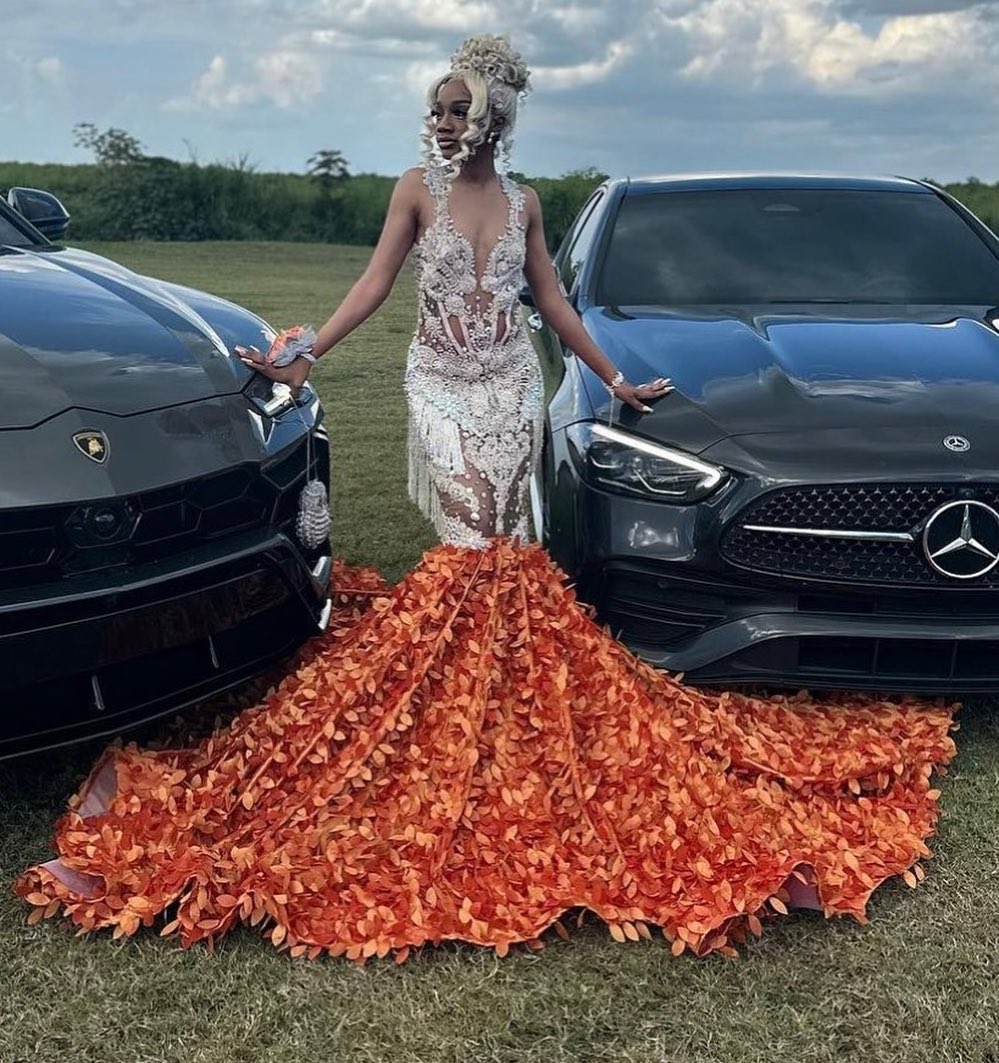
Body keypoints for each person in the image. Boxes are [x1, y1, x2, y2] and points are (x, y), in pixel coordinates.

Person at [17, 35, 955, 961]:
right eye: (435, 108)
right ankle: (454, 701)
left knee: (506, 547)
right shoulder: (413, 190)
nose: (441, 121)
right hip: (438, 384)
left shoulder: (525, 203)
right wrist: (306, 356)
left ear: (494, 117)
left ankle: (508, 699)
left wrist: (615, 380)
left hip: (507, 384)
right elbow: (374, 284)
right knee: (471, 539)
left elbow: (551, 299)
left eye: (457, 109)